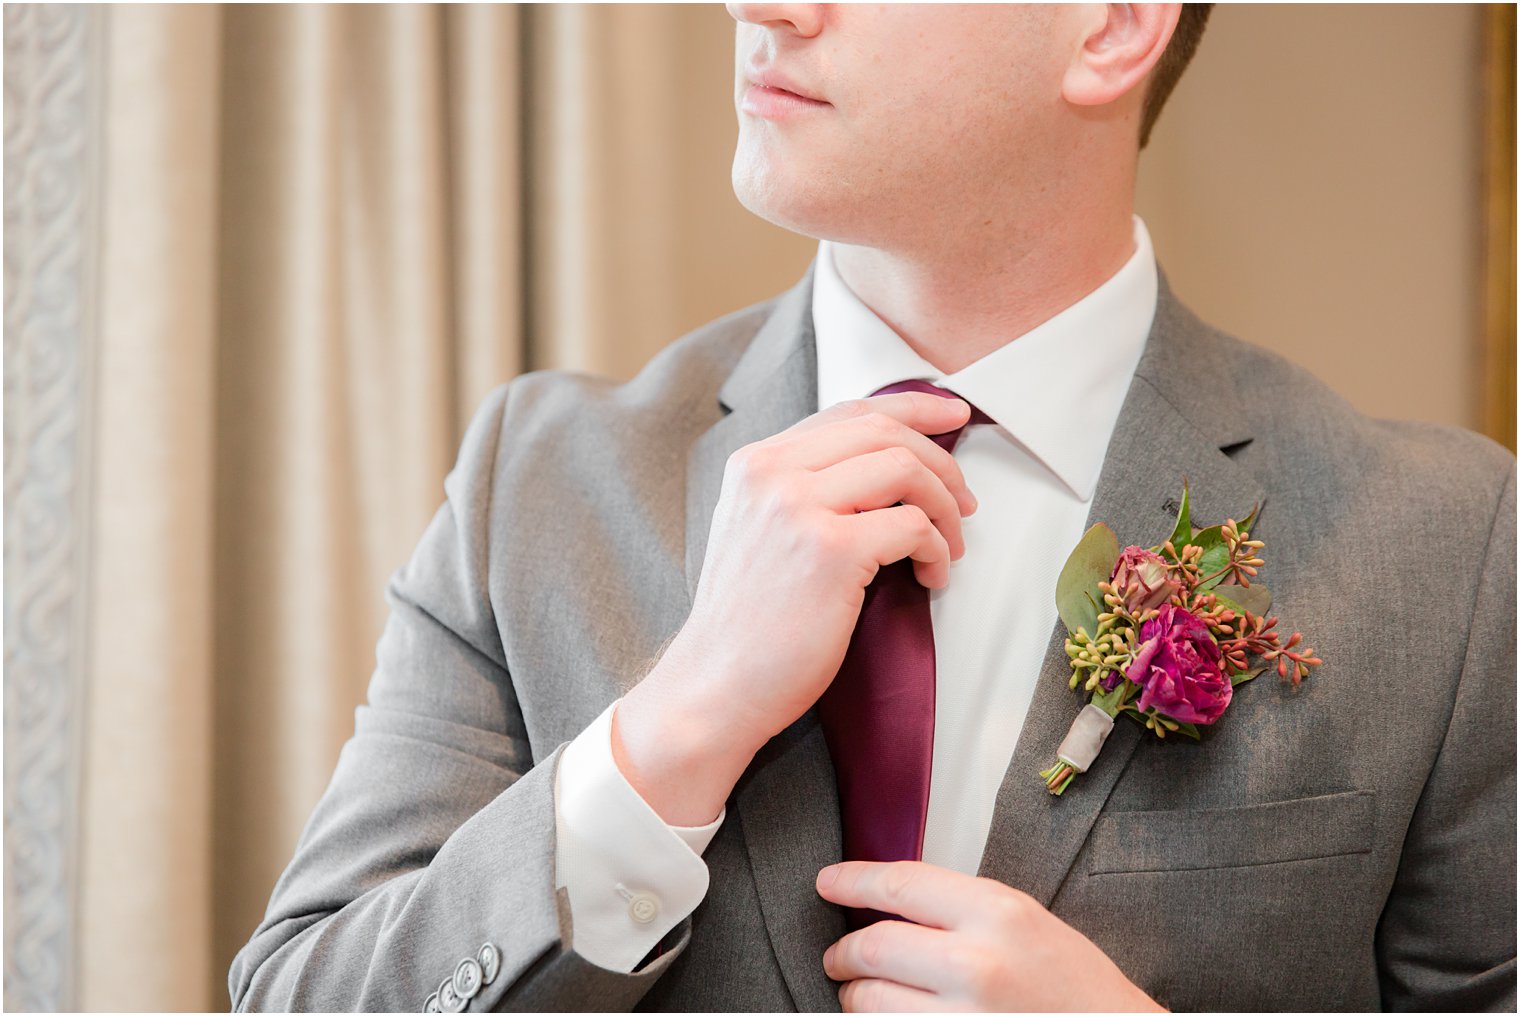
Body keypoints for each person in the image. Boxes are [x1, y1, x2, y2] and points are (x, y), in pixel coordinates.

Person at [229, 4, 1517, 1011]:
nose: (761, 6)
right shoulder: (535, 479)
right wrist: (680, 724)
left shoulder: (1451, 551)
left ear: (1112, 25)